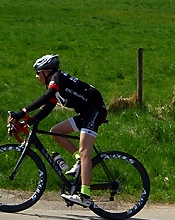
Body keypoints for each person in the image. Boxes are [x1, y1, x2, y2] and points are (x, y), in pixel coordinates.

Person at [10, 54, 107, 207]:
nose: (36, 76)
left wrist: (22, 111)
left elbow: (46, 96)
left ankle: (85, 196)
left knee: (85, 151)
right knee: (56, 132)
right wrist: (27, 122)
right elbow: (46, 109)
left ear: (46, 72)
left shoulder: (57, 78)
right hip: (87, 112)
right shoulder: (55, 86)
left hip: (95, 110)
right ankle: (78, 161)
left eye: (38, 73)